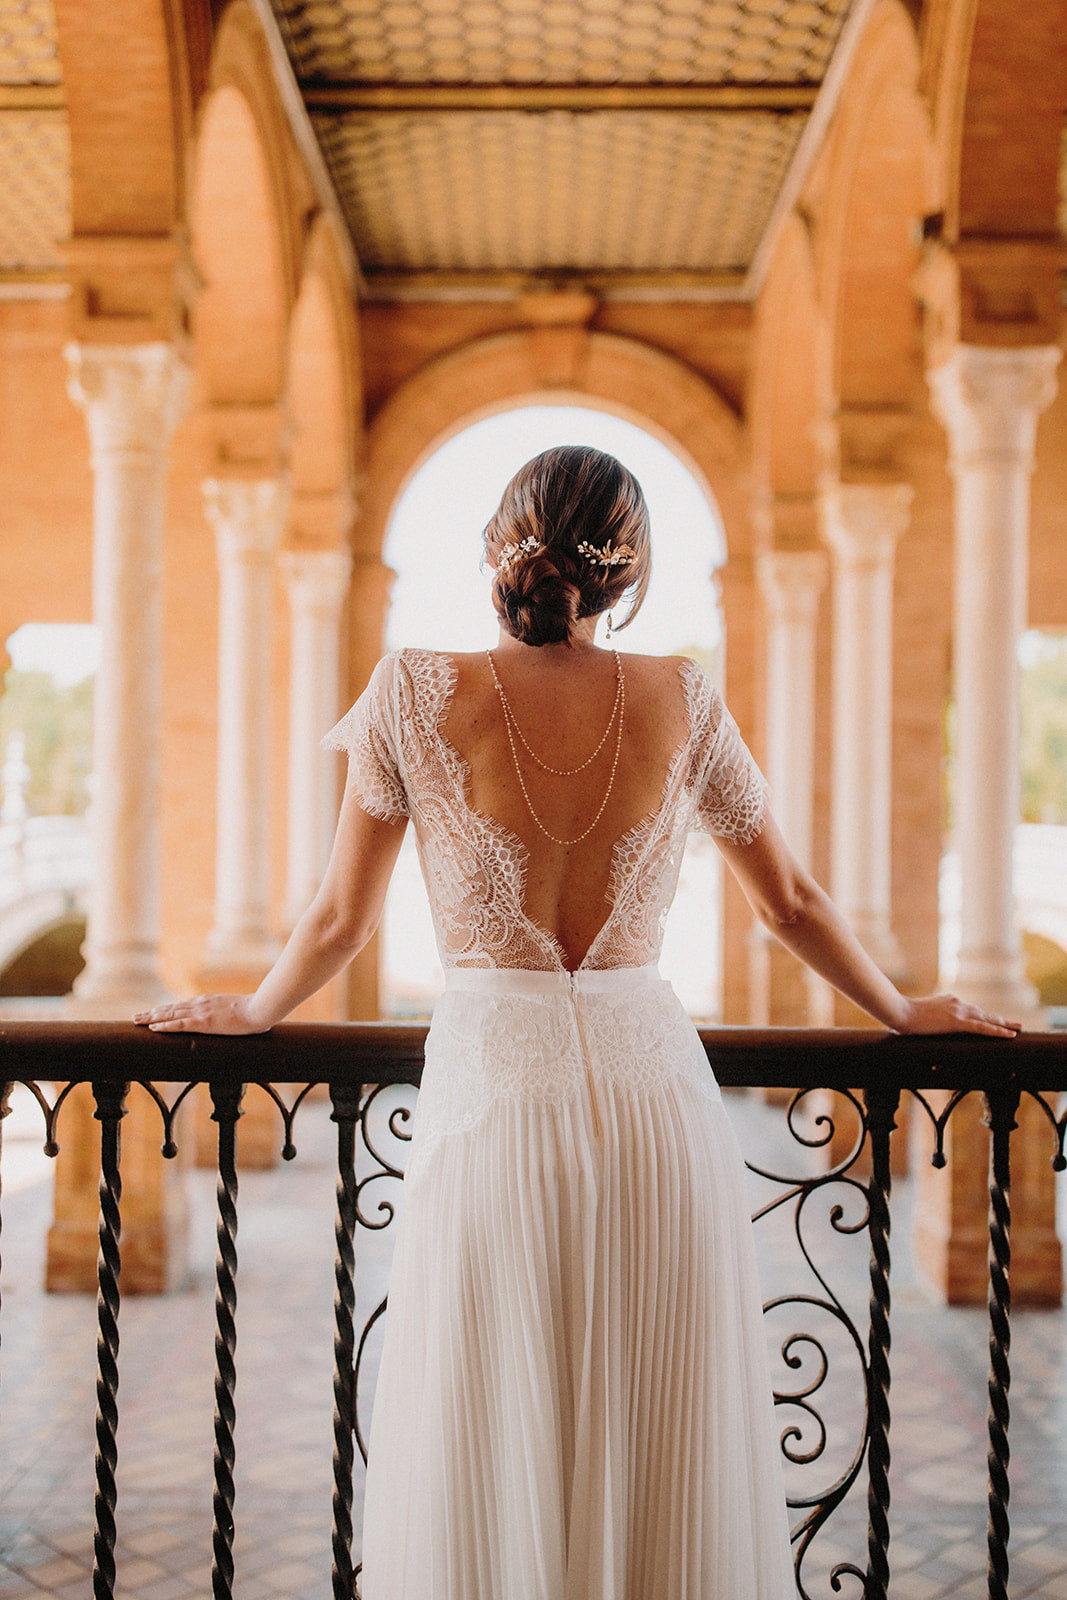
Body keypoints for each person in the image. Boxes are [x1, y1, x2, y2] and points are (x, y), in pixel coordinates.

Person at [135, 445, 1018, 1599]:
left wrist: (252, 1011)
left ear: (499, 545)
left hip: (494, 1100)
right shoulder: (685, 696)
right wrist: (901, 1009)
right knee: (651, 1423)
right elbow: (789, 902)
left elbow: (342, 919)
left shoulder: (411, 689)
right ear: (627, 569)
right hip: (655, 1102)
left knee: (495, 1413)